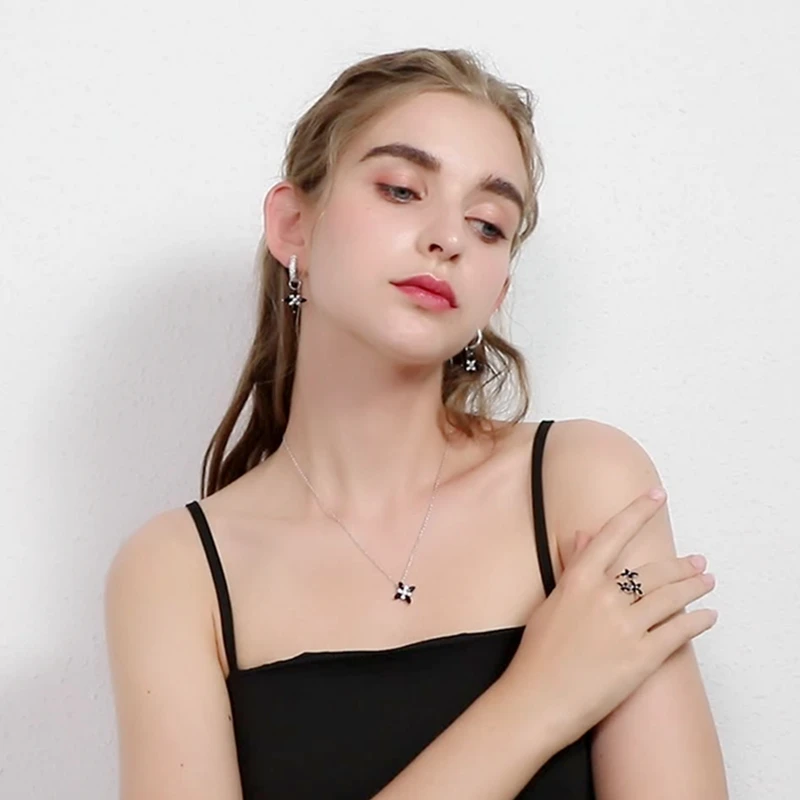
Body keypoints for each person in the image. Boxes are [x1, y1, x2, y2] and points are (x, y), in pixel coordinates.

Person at [104, 47, 728, 799]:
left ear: (498, 290)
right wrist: (539, 700)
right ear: (293, 223)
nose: (448, 237)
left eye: (488, 225)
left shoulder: (585, 482)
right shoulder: (176, 573)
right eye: (402, 190)